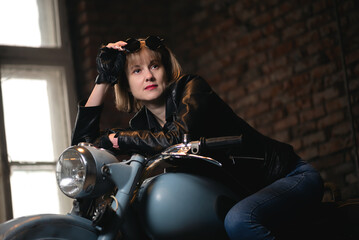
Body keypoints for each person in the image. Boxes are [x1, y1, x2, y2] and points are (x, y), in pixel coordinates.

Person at [71, 36, 324, 239]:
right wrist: (103, 80)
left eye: (154, 66)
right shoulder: (141, 126)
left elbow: (178, 137)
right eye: (136, 71)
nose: (148, 75)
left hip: (290, 176)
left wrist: (118, 139)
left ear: (165, 70)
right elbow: (83, 146)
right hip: (244, 193)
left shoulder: (192, 88)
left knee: (240, 220)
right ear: (125, 83)